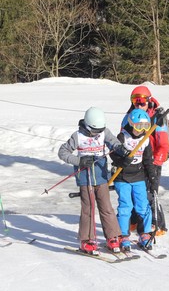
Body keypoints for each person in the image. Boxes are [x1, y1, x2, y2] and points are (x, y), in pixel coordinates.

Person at [58, 107, 133, 254]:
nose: (97, 134)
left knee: (106, 207)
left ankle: (112, 237)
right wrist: (79, 160)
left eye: (100, 131)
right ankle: (87, 240)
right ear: (87, 125)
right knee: (88, 209)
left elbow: (115, 144)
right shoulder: (78, 136)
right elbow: (62, 152)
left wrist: (122, 150)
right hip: (85, 178)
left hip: (101, 177)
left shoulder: (104, 132)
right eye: (95, 131)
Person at [122, 85, 169, 235]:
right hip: (134, 161)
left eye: (142, 101)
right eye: (135, 101)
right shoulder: (129, 116)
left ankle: (157, 223)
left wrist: (156, 162)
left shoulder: (157, 118)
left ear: (148, 101)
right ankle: (135, 222)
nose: (138, 104)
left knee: (150, 193)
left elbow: (163, 144)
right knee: (134, 192)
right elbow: (123, 139)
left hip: (152, 160)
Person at [110, 108, 158, 251]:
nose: (141, 130)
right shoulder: (122, 137)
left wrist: (153, 177)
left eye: (145, 127)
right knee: (126, 206)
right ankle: (123, 235)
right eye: (138, 127)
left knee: (142, 206)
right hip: (122, 177)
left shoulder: (146, 139)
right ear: (131, 124)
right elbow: (113, 155)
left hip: (138, 176)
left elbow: (148, 160)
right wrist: (121, 161)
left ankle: (144, 233)